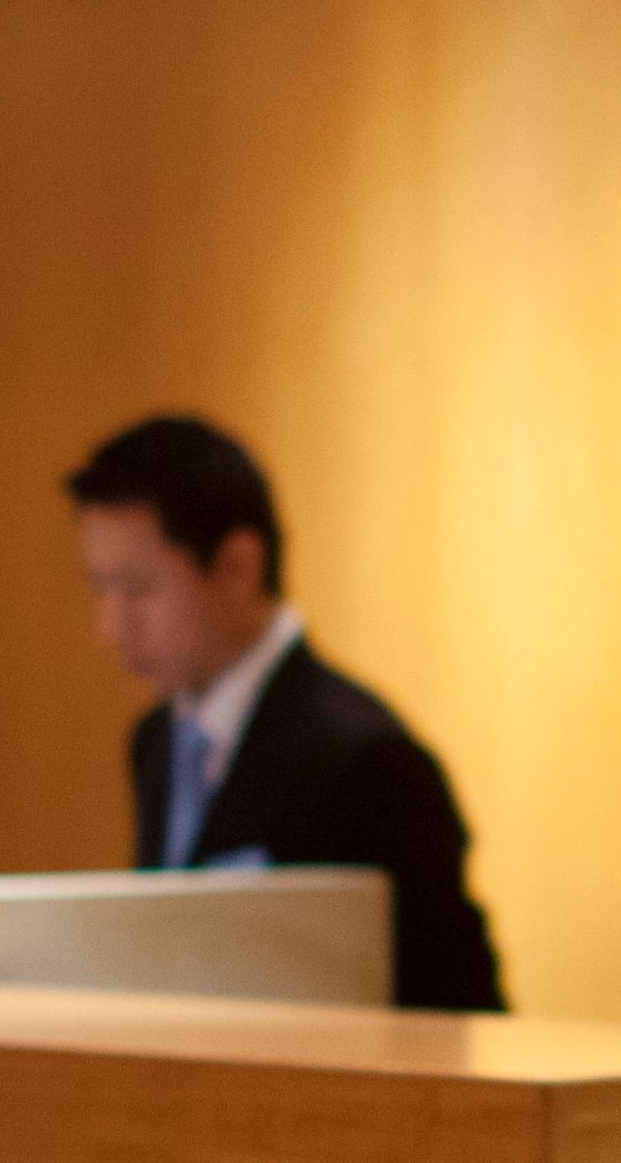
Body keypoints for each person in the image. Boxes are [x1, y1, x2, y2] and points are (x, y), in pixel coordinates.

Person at [63, 414, 506, 1012]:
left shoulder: (368, 761)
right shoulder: (156, 742)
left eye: (139, 589)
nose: (111, 628)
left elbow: (458, 1016)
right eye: (101, 589)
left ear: (238, 567)